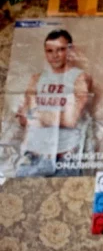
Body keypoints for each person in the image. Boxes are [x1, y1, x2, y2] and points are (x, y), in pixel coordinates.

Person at [15, 29, 93, 177]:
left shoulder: (80, 77)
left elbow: (70, 120)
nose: (55, 55)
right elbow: (23, 119)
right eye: (49, 51)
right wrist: (46, 116)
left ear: (70, 50)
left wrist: (37, 115)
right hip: (33, 155)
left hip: (64, 157)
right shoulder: (36, 78)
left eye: (60, 50)